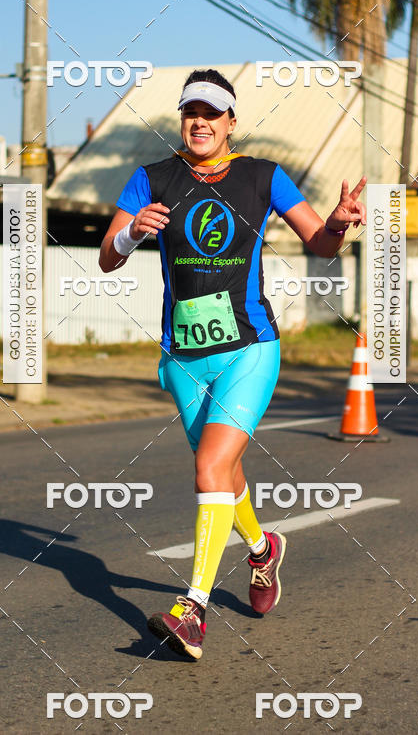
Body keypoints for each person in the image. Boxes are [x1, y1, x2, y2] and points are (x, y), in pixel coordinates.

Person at [99, 68, 366, 660]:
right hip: (183, 359)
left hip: (250, 348)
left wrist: (340, 225)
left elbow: (318, 243)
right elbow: (105, 258)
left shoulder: (262, 177)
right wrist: (128, 236)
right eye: (191, 111)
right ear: (182, 120)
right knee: (221, 473)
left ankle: (191, 609)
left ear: (230, 122)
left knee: (209, 468)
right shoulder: (152, 178)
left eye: (212, 112)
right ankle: (264, 547)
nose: (200, 121)